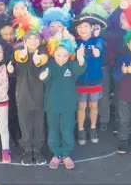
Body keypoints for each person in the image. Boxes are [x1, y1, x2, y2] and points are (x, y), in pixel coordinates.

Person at [40, 31, 86, 169]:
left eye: (65, 55)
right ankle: (56, 154)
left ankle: (65, 154)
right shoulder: (49, 65)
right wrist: (43, 75)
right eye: (58, 55)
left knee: (67, 131)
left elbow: (80, 68)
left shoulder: (71, 66)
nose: (61, 58)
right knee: (53, 131)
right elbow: (43, 76)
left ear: (69, 55)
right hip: (52, 106)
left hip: (68, 106)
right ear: (53, 53)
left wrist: (81, 58)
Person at [12, 15, 49, 165]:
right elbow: (17, 62)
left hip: (39, 95)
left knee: (39, 122)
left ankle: (38, 149)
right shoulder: (19, 53)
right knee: (25, 123)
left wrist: (37, 60)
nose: (33, 41)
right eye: (29, 39)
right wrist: (23, 57)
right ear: (24, 41)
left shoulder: (44, 54)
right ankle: (27, 149)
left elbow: (42, 63)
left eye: (35, 39)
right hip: (23, 95)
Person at [73, 13, 107, 146]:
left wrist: (96, 51)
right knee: (81, 107)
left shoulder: (98, 40)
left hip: (95, 80)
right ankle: (81, 129)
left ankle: (93, 128)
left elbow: (99, 49)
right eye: (80, 27)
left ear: (92, 28)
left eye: (86, 26)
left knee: (94, 106)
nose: (83, 29)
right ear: (76, 29)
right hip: (80, 81)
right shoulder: (75, 42)